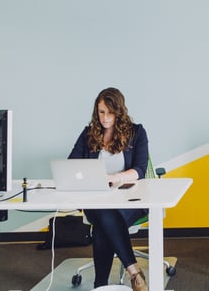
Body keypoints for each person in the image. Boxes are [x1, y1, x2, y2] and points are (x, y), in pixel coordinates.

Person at [68, 87, 149, 291]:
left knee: (104, 222)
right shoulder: (89, 134)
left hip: (130, 199)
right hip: (96, 200)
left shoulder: (136, 132)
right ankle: (135, 273)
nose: (105, 118)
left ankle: (100, 284)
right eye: (101, 111)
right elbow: (72, 164)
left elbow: (140, 169)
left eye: (110, 112)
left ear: (119, 112)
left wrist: (115, 178)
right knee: (104, 211)